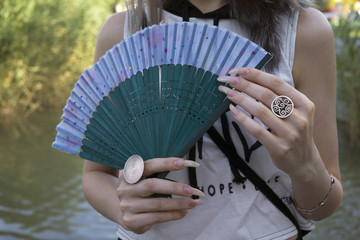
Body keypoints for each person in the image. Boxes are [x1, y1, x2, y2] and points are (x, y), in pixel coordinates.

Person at [82, 0, 343, 239]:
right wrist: (123, 208)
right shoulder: (123, 31)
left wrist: (305, 167)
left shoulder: (304, 30)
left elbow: (323, 205)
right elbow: (96, 174)